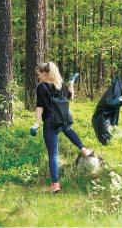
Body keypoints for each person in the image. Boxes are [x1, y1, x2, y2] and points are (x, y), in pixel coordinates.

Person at [32, 62, 93, 193]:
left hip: (51, 122)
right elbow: (70, 97)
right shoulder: (61, 85)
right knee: (68, 130)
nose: (39, 76)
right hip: (64, 119)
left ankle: (55, 184)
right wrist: (71, 85)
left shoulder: (42, 87)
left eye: (40, 74)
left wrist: (36, 123)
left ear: (46, 73)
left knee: (53, 154)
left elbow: (40, 106)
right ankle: (83, 149)